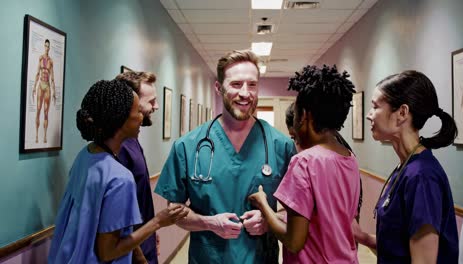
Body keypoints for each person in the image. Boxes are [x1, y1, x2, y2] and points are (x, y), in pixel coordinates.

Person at [155, 49, 296, 263]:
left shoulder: (280, 146)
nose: (245, 93)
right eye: (236, 84)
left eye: (252, 85)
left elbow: (298, 212)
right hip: (209, 258)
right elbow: (175, 210)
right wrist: (208, 223)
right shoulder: (187, 146)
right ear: (219, 88)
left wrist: (269, 220)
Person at [48, 80, 188, 263]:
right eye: (137, 111)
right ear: (120, 119)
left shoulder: (85, 156)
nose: (142, 116)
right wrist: (159, 221)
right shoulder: (120, 178)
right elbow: (108, 252)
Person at [249, 64, 361, 263]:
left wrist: (264, 205)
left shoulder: (304, 162)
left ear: (304, 117)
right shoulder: (349, 158)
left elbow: (294, 241)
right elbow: (326, 221)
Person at [363, 70, 458, 262]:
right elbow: (397, 247)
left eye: (375, 106)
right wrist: (361, 237)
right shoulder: (405, 168)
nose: (368, 115)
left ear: (402, 113)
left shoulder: (422, 177)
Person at [115, 71, 160, 264]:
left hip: (144, 242)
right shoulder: (119, 148)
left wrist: (150, 232)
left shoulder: (133, 140)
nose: (156, 106)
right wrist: (140, 257)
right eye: (151, 101)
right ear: (131, 102)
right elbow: (117, 219)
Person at [32, 39, 55, 143]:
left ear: (49, 48)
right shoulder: (40, 58)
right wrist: (34, 87)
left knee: (46, 112)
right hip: (41, 85)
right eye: (45, 46)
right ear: (44, 46)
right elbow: (37, 73)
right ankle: (36, 135)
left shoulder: (51, 61)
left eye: (48, 46)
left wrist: (54, 91)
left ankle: (45, 136)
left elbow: (53, 78)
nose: (47, 48)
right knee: (38, 109)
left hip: (47, 87)